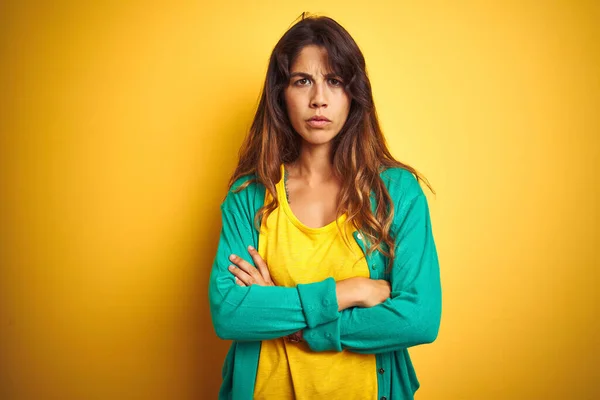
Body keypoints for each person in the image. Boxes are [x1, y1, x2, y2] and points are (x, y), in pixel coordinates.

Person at [208, 13, 442, 400]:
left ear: (354, 93)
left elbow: (418, 320)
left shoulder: (396, 193)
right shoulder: (248, 194)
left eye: (334, 81)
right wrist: (346, 291)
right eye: (303, 81)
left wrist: (301, 327)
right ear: (281, 93)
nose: (319, 98)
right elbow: (230, 312)